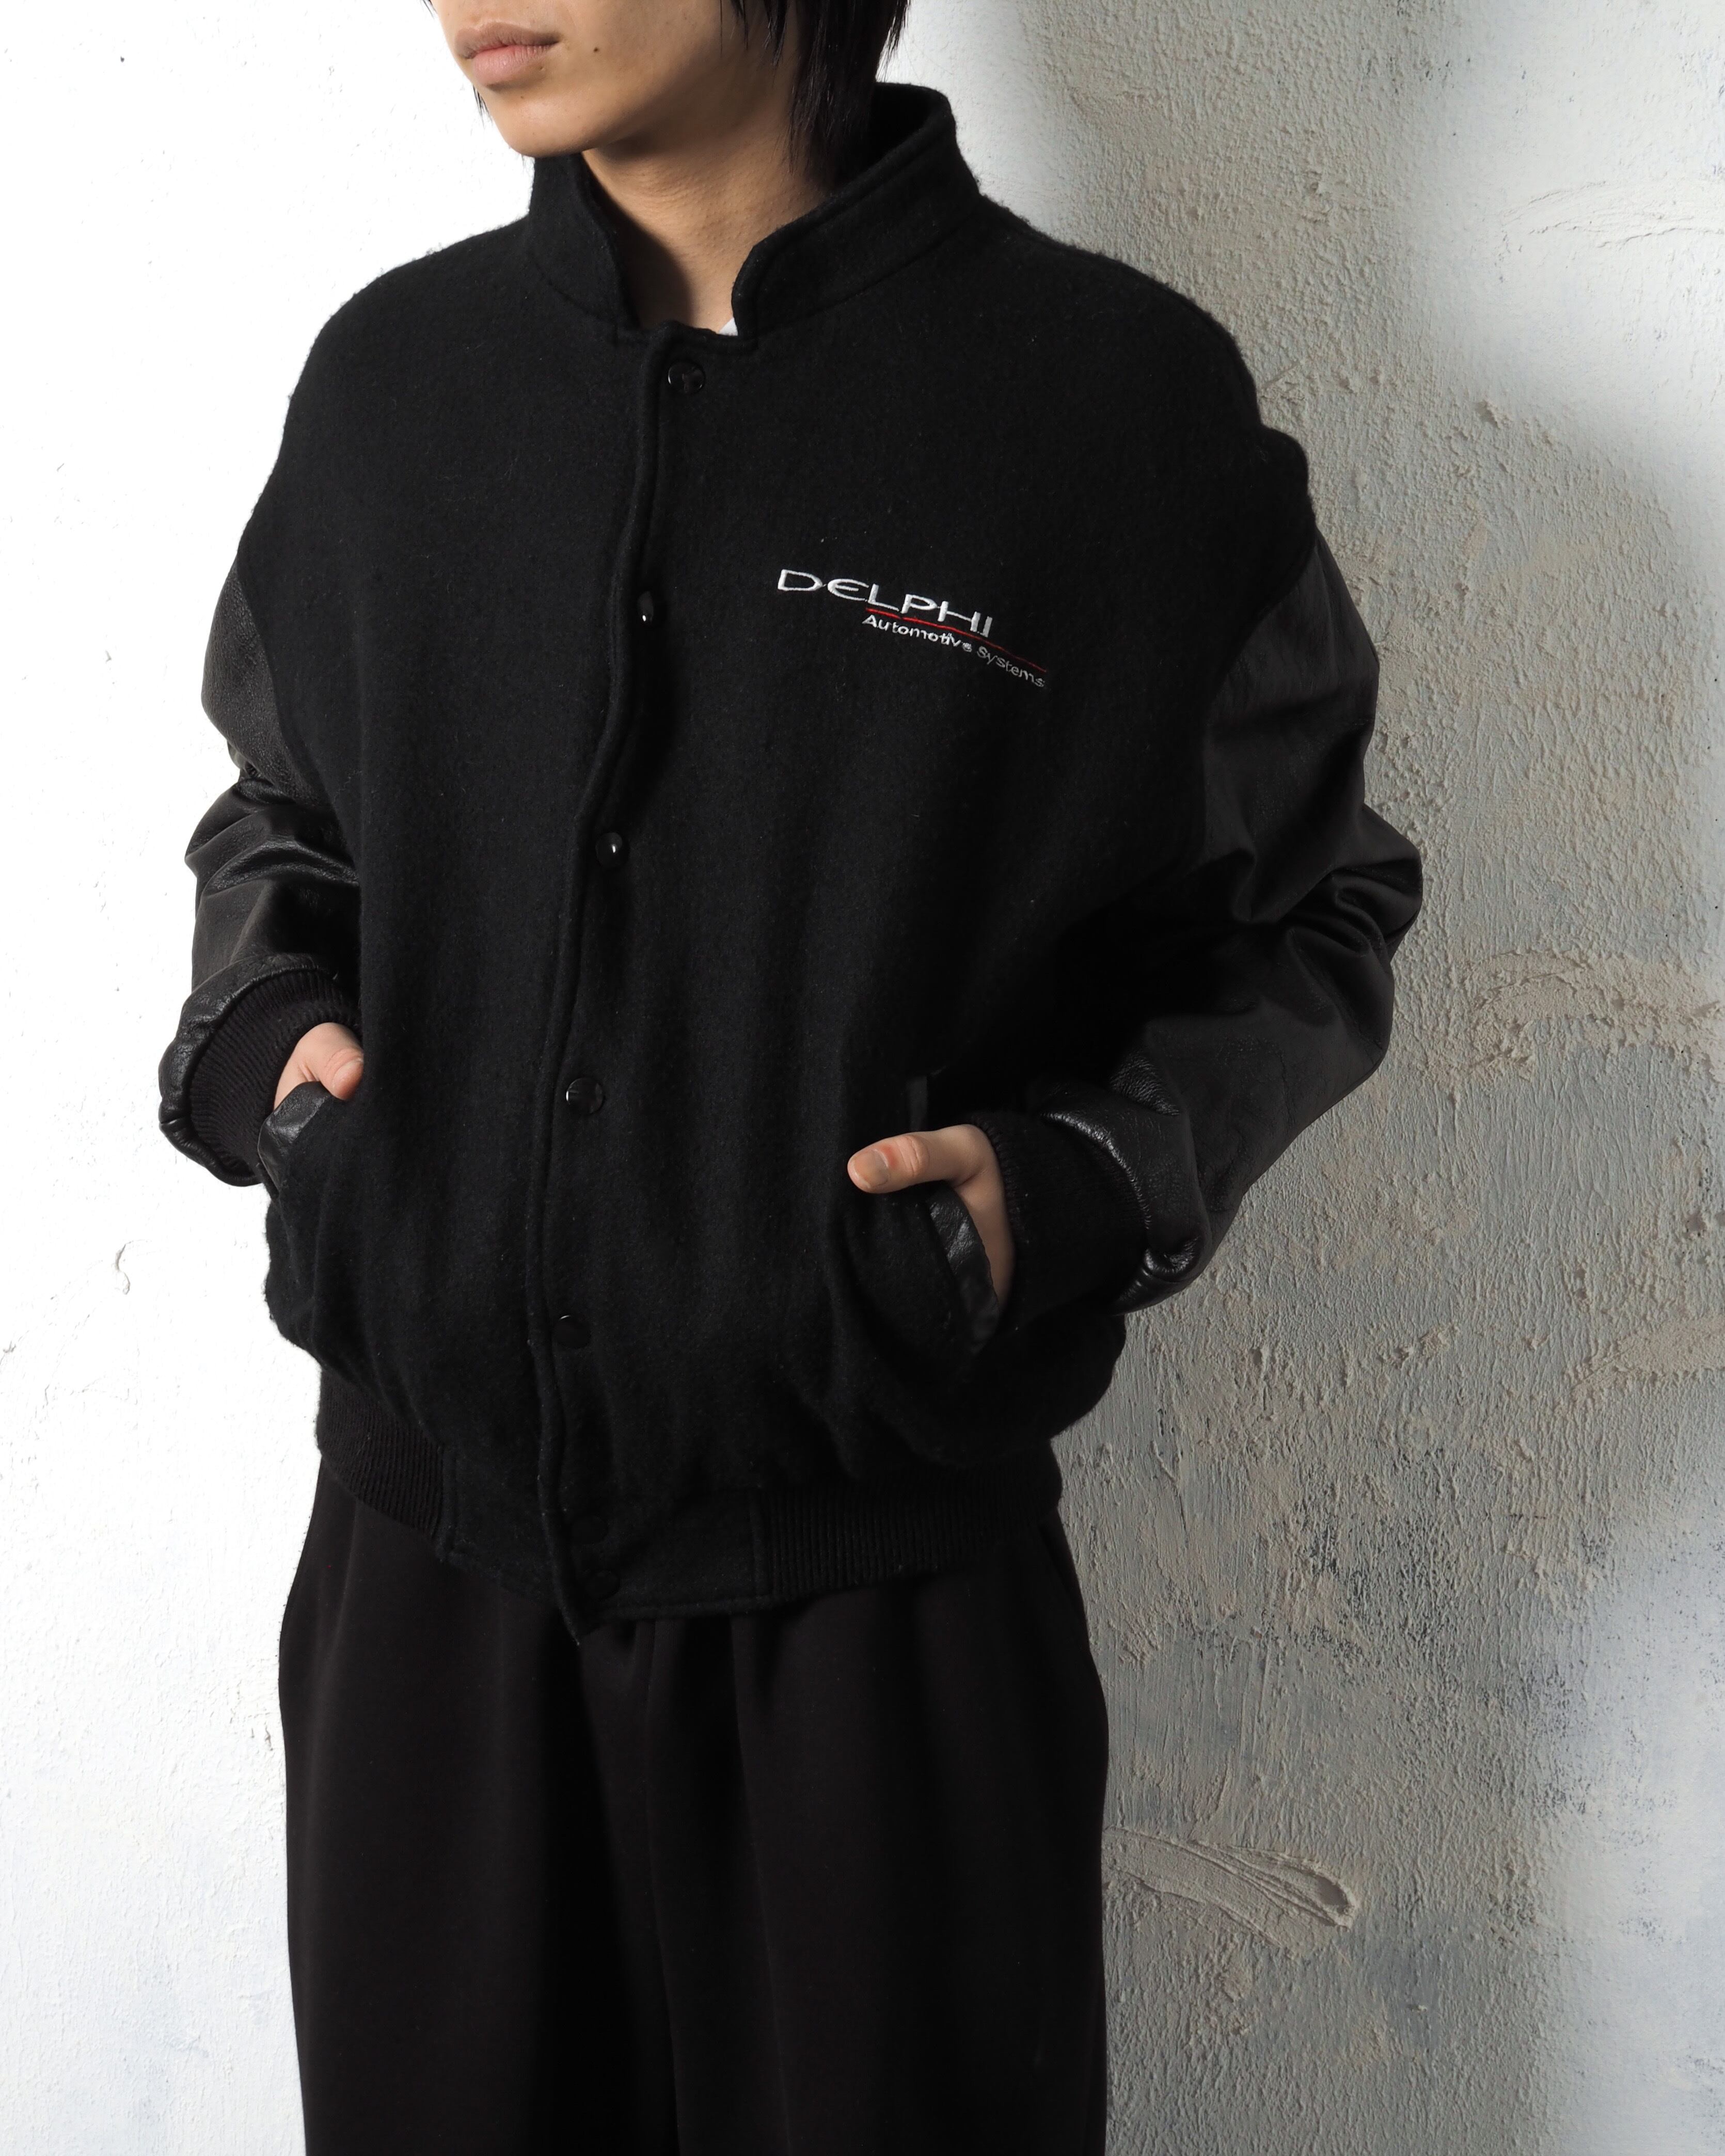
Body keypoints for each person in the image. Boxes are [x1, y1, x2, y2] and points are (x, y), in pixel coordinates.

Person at [158, 2, 1421, 2149]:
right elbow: (285, 820)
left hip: (878, 1632)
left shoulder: (1111, 410)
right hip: (423, 1612)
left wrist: (1079, 1178)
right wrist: (284, 1066)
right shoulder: (398, 383)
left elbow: (1309, 910)